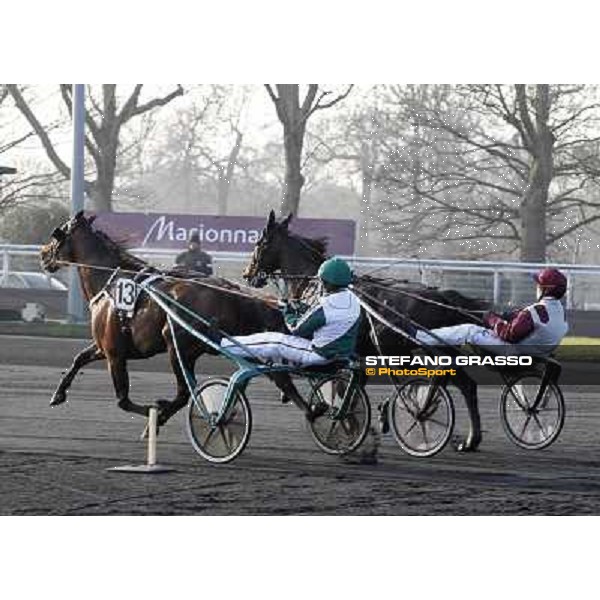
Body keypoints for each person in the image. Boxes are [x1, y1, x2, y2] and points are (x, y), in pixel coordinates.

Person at [220, 256, 361, 367]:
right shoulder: (354, 300)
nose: (320, 283)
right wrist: (298, 307)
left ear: (328, 283)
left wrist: (287, 311)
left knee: (275, 340)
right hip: (343, 353)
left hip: (319, 355)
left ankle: (224, 345)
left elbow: (296, 329)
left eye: (322, 281)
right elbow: (326, 318)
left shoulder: (326, 305)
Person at [407, 267, 569, 356]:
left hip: (514, 353)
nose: (536, 287)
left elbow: (508, 334)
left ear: (544, 289)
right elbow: (527, 318)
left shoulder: (534, 311)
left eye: (538, 285)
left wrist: (491, 319)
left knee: (469, 330)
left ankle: (420, 337)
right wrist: (509, 315)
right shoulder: (558, 311)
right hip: (537, 350)